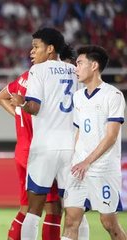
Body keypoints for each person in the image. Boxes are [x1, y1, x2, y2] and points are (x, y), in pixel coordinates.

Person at [0, 44, 88, 240]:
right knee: (54, 207)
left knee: (27, 206)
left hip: (23, 149)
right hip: (41, 150)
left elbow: (1, 96)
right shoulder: (49, 82)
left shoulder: (25, 77)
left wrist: (18, 115)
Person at [62, 45, 127, 240]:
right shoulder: (78, 96)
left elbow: (111, 136)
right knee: (71, 221)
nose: (76, 67)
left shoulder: (113, 95)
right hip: (79, 169)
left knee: (109, 224)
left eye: (80, 63)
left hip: (103, 169)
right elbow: (79, 132)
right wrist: (72, 160)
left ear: (94, 66)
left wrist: (87, 161)